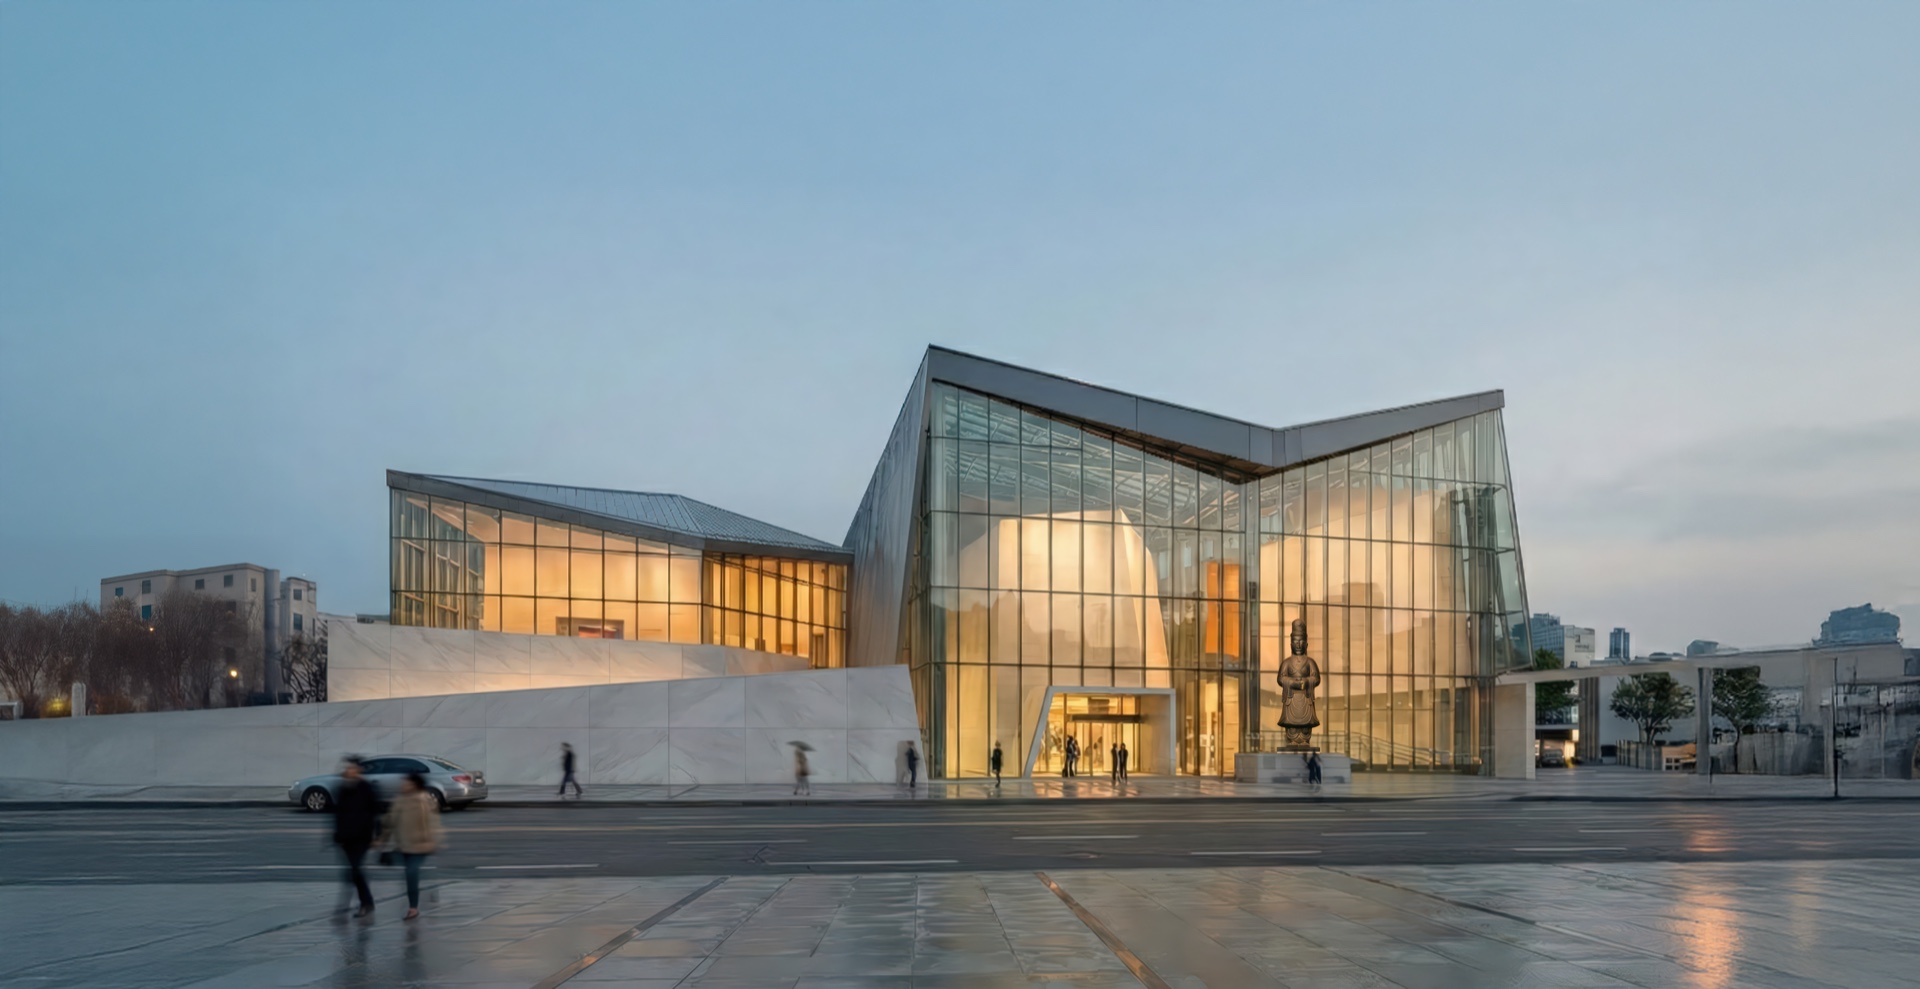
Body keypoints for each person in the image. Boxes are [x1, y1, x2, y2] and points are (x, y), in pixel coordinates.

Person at [383, 772, 443, 921]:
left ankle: (413, 908)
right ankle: (422, 884)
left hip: (419, 846)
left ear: (414, 785)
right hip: (403, 845)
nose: (403, 785)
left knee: (411, 873)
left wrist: (433, 841)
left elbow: (433, 823)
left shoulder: (424, 800)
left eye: (407, 783)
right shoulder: (399, 800)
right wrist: (381, 839)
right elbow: (390, 822)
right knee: (408, 873)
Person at [331, 757, 384, 919]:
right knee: (352, 872)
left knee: (355, 869)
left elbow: (376, 812)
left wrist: (377, 836)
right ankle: (358, 904)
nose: (349, 771)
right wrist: (336, 834)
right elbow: (338, 814)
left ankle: (364, 903)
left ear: (359, 770)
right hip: (346, 837)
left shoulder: (367, 788)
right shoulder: (342, 789)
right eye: (347, 768)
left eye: (352, 768)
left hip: (362, 836)